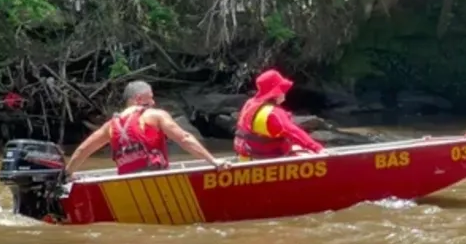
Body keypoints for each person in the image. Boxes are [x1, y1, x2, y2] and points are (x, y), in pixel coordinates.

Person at [65, 80, 230, 176]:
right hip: (156, 176)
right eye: (150, 98)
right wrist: (214, 161)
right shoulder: (155, 116)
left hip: (126, 180)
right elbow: (184, 138)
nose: (153, 103)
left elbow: (83, 150)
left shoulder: (110, 125)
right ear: (138, 98)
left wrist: (67, 174)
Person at [233, 69, 326, 160]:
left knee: (296, 147)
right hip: (267, 159)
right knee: (303, 149)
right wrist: (317, 148)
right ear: (275, 92)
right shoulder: (274, 113)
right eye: (282, 89)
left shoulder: (250, 104)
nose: (284, 93)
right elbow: (294, 132)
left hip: (246, 157)